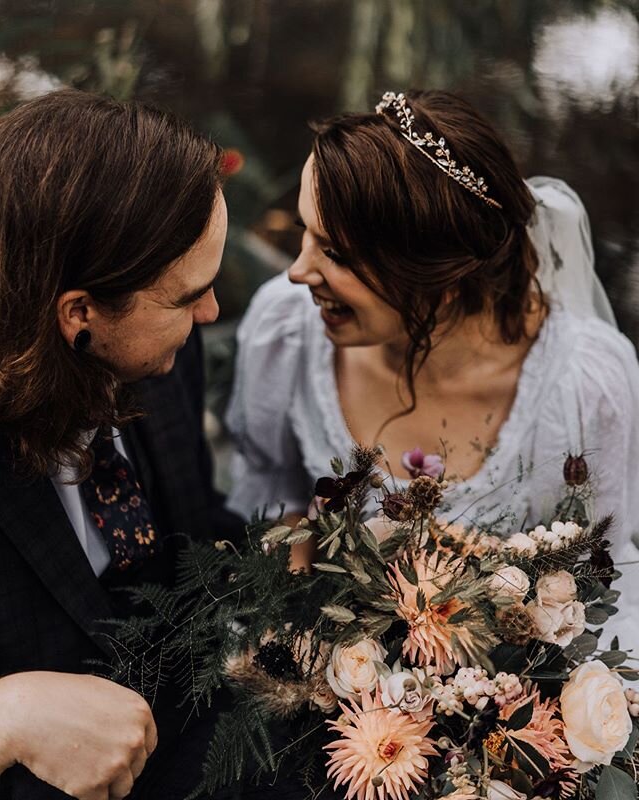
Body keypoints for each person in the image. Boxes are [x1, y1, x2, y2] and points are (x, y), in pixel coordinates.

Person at [226, 89, 639, 652]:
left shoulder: (584, 390)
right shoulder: (286, 332)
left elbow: (606, 586)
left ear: (442, 286)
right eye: (306, 233)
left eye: (336, 254)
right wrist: (297, 617)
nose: (299, 271)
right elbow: (271, 488)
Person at [0, 89, 242, 800]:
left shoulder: (164, 352)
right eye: (186, 297)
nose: (211, 312)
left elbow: (189, 533)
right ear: (80, 313)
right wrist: (8, 717)